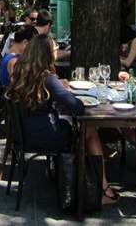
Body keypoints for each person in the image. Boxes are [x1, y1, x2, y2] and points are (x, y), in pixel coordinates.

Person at [8, 33, 120, 204]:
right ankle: (102, 188)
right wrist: (66, 93)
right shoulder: (47, 78)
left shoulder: (20, 71)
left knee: (72, 126)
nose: (57, 51)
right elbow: (78, 108)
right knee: (89, 130)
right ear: (46, 53)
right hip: (43, 135)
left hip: (20, 134)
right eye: (55, 48)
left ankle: (63, 171)